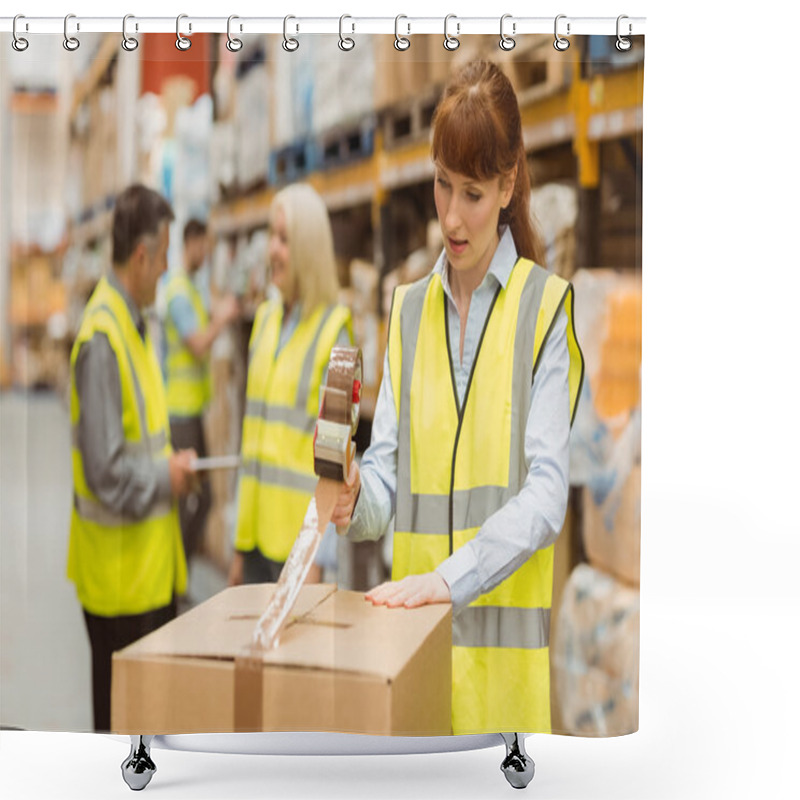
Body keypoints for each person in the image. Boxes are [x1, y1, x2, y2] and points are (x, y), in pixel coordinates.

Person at [331, 61, 585, 737]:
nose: (450, 216)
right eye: (442, 184)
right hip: (414, 670)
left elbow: (545, 493)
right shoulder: (407, 311)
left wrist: (448, 579)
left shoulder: (544, 311)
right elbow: (388, 475)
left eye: (471, 192)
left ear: (508, 185)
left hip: (501, 699)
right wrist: (357, 498)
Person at [67, 184, 198, 732]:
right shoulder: (103, 336)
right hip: (119, 584)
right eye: (164, 256)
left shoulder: (134, 325)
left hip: (145, 572)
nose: (168, 268)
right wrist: (165, 478)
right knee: (119, 738)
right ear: (141, 256)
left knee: (146, 731)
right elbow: (104, 470)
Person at [229, 183, 352, 587]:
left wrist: (317, 557)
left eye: (283, 239)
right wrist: (237, 546)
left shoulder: (336, 333)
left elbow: (336, 466)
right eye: (271, 236)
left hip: (299, 556)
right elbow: (252, 444)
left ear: (307, 248)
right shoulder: (264, 321)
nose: (272, 250)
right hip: (254, 546)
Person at [162, 219, 239, 572]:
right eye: (203, 245)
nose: (206, 253)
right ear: (190, 242)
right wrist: (223, 318)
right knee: (193, 496)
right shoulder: (178, 291)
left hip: (192, 409)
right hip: (180, 412)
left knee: (202, 497)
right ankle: (177, 575)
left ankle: (180, 573)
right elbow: (196, 345)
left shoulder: (189, 286)